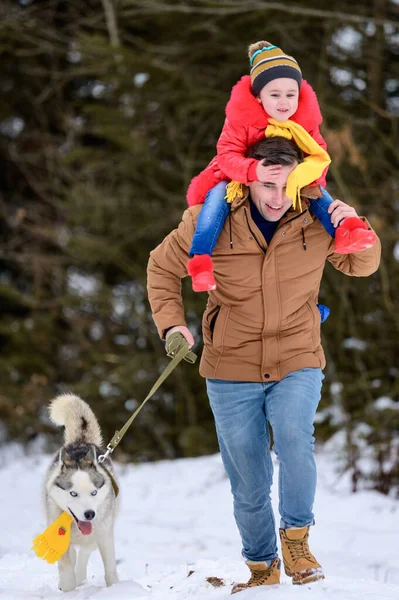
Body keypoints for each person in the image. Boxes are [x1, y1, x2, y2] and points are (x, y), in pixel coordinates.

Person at [147, 136, 381, 593]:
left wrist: (354, 223)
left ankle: (297, 539)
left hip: (297, 354)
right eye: (268, 185)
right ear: (249, 178)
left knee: (295, 438)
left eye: (286, 184)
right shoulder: (210, 223)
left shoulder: (315, 220)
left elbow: (362, 266)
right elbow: (160, 267)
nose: (277, 197)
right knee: (249, 479)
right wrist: (172, 326)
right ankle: (262, 567)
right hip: (230, 365)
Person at [185, 41, 376, 292]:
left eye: (290, 94)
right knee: (216, 199)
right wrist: (254, 171)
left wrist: (302, 175)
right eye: (275, 95)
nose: (284, 102)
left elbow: (318, 154)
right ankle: (201, 259)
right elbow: (226, 155)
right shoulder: (240, 119)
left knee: (317, 193)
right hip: (237, 175)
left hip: (289, 175)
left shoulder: (303, 122)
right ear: (259, 97)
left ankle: (347, 231)